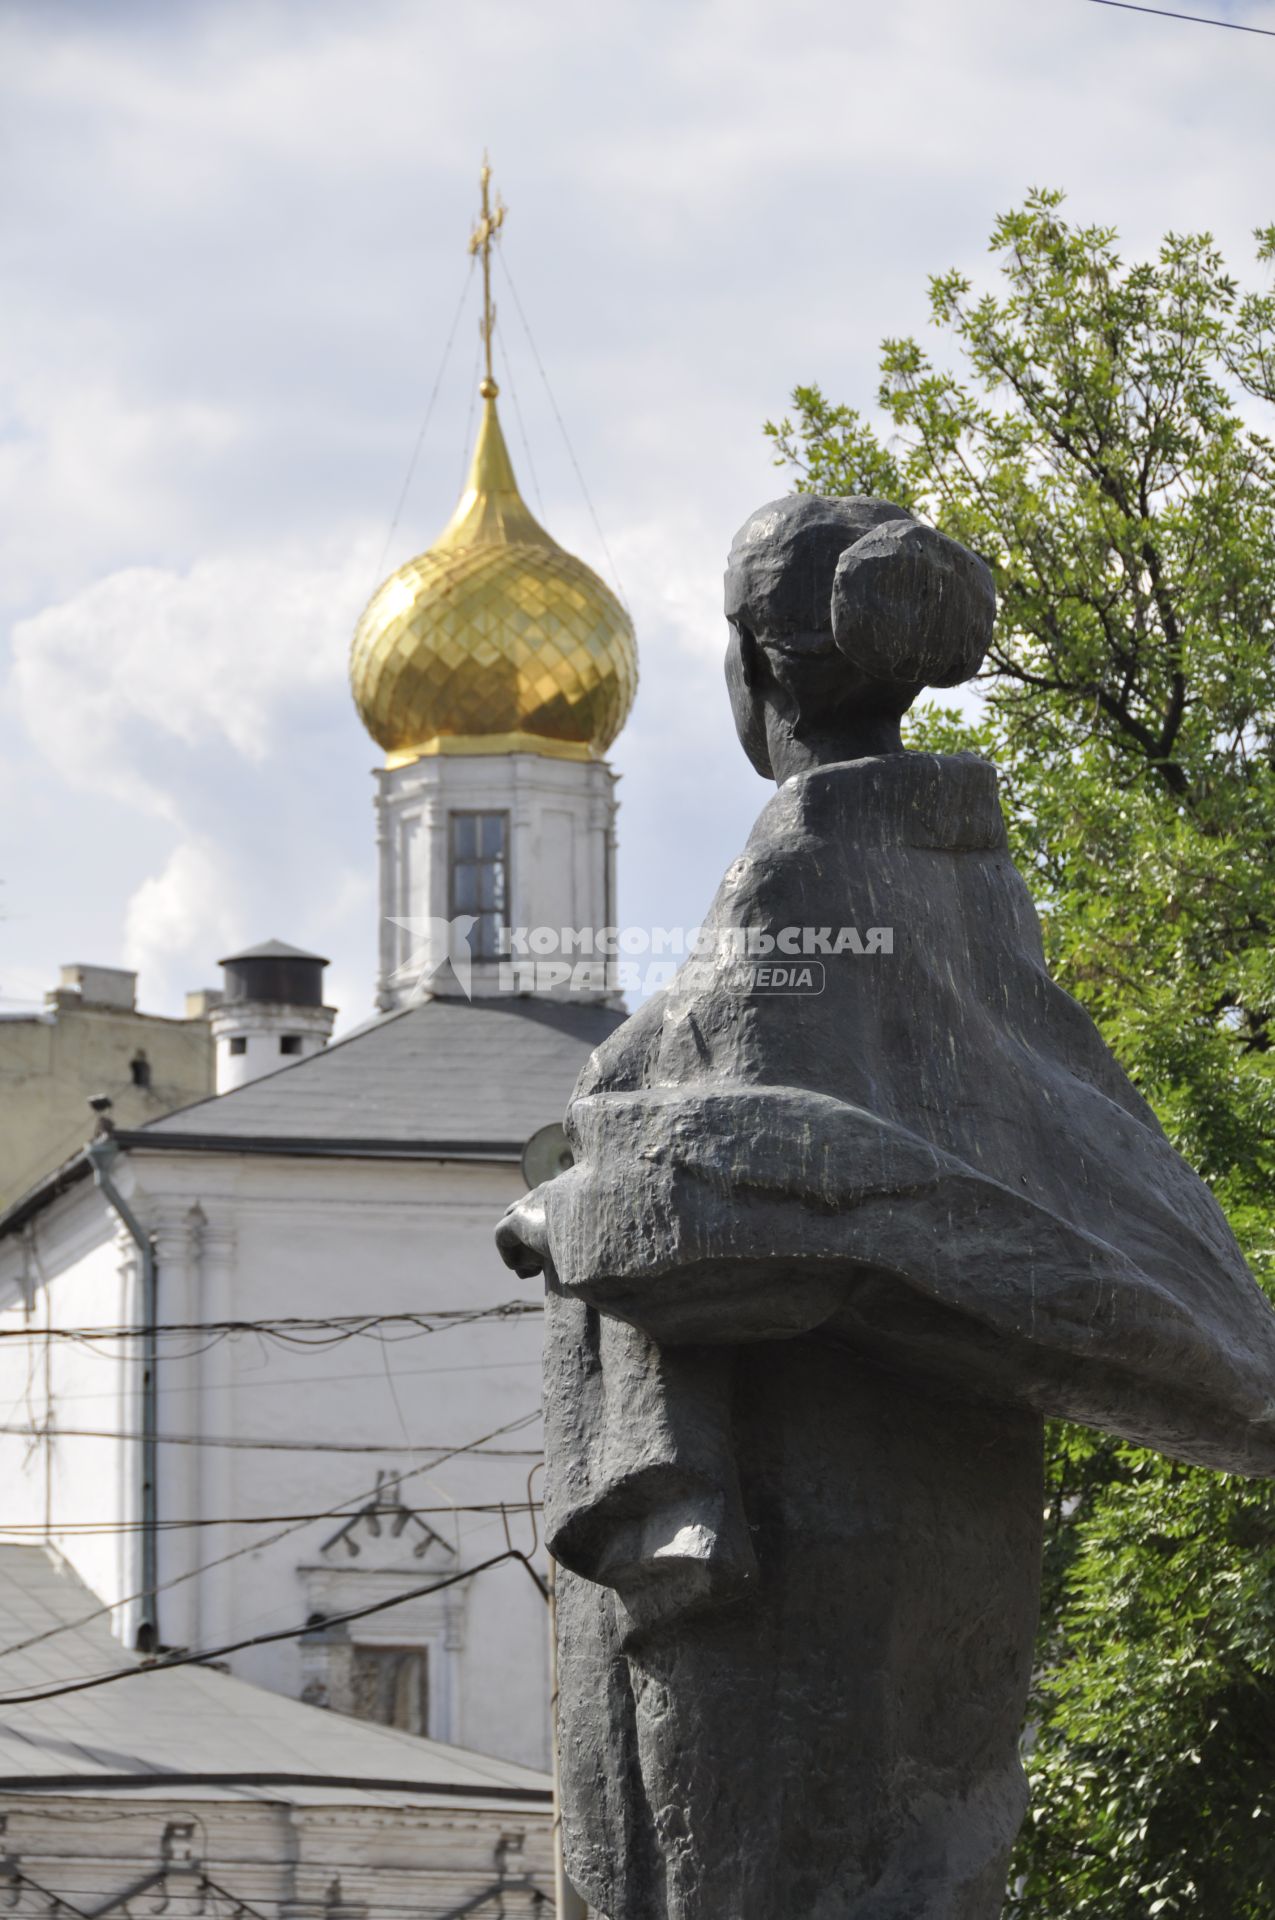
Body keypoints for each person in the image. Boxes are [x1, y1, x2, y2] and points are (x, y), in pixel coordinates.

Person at [497, 496, 1275, 1920]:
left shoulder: (801, 884)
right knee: (938, 1863)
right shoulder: (973, 891)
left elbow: (767, 1206)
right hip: (960, 1501)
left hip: (783, 1530)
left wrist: (583, 1206)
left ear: (757, 664)